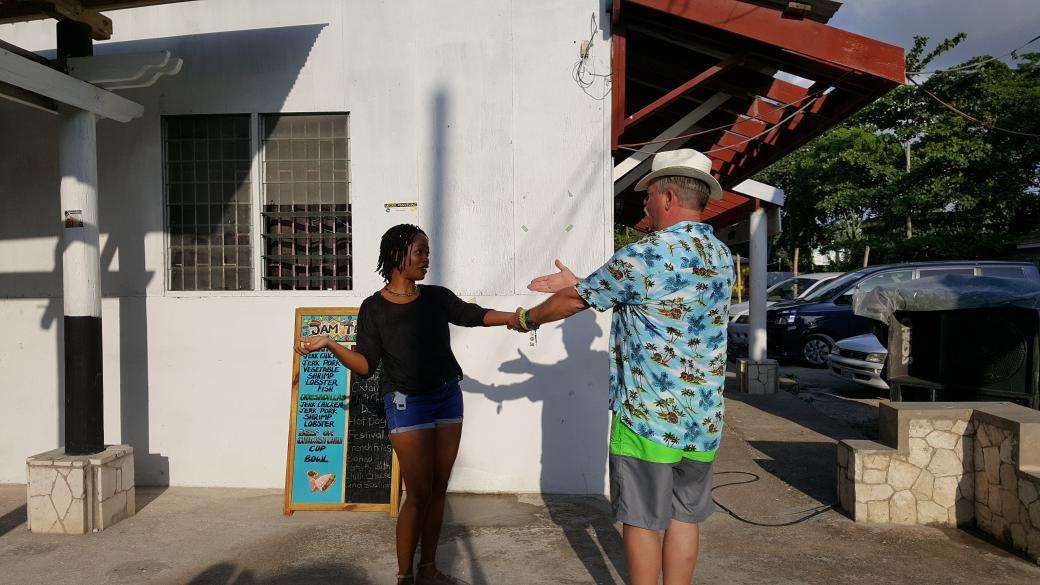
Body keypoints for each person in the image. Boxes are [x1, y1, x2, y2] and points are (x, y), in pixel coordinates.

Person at [514, 149, 734, 585]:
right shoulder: (721, 256)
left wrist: (527, 319)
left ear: (668, 197)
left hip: (648, 420)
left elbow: (576, 301)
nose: (645, 205)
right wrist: (581, 282)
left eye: (649, 196)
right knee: (684, 518)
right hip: (703, 419)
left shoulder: (645, 254)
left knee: (642, 520)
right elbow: (654, 293)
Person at [295, 223, 515, 585]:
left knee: (438, 488)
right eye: (419, 252)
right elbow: (365, 365)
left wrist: (515, 318)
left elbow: (472, 314)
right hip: (406, 403)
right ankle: (405, 577)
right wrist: (332, 345)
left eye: (427, 252)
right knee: (418, 493)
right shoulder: (374, 308)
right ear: (397, 255)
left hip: (447, 397)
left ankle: (428, 569)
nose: (426, 259)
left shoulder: (436, 298)